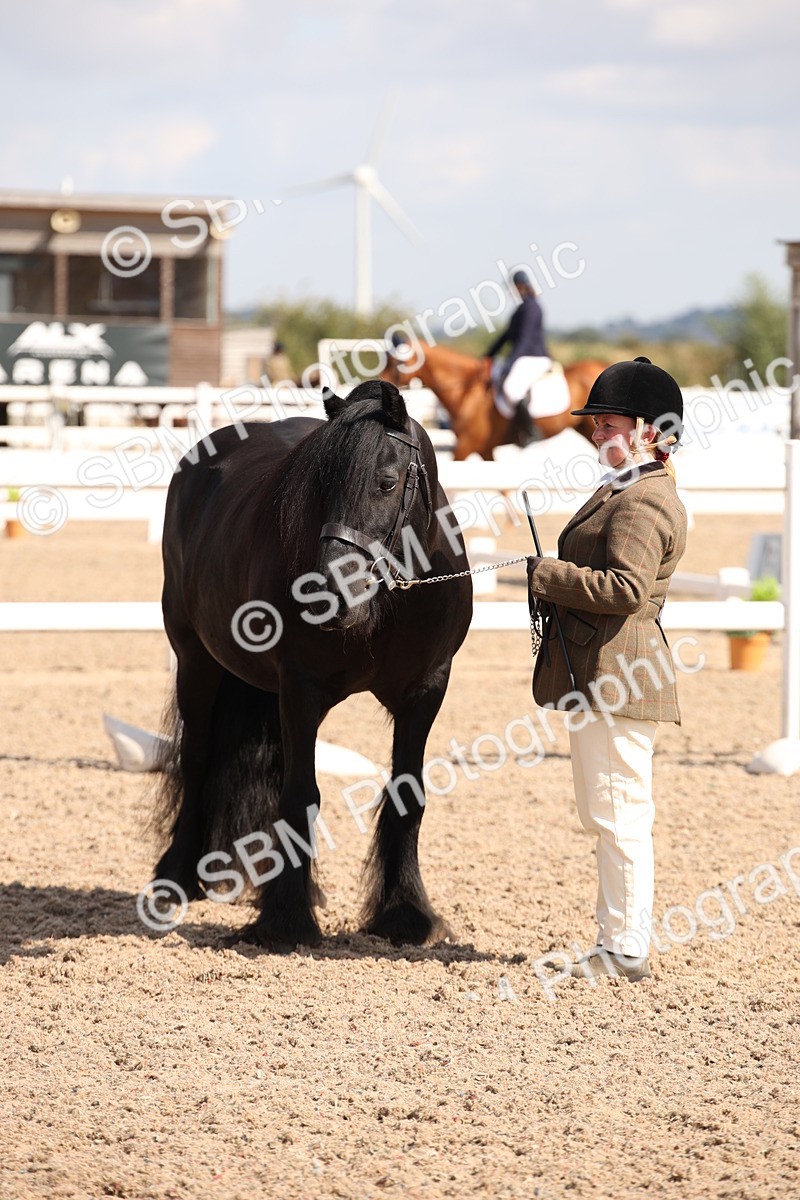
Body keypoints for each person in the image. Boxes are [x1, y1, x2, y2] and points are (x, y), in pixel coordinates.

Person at [527, 356, 687, 982]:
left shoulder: (644, 500)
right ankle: (616, 940)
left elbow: (624, 588)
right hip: (601, 673)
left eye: (607, 422)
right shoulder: (624, 487)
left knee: (619, 812)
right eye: (594, 423)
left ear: (650, 429)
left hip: (619, 675)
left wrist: (547, 575)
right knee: (607, 812)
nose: (595, 433)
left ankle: (623, 948)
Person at [484, 270, 551, 446]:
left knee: (512, 389)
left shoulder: (532, 307)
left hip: (533, 357)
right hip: (523, 356)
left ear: (520, 286)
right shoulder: (521, 308)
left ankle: (531, 431)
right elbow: (506, 336)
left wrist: (511, 362)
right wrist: (487, 356)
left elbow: (525, 339)